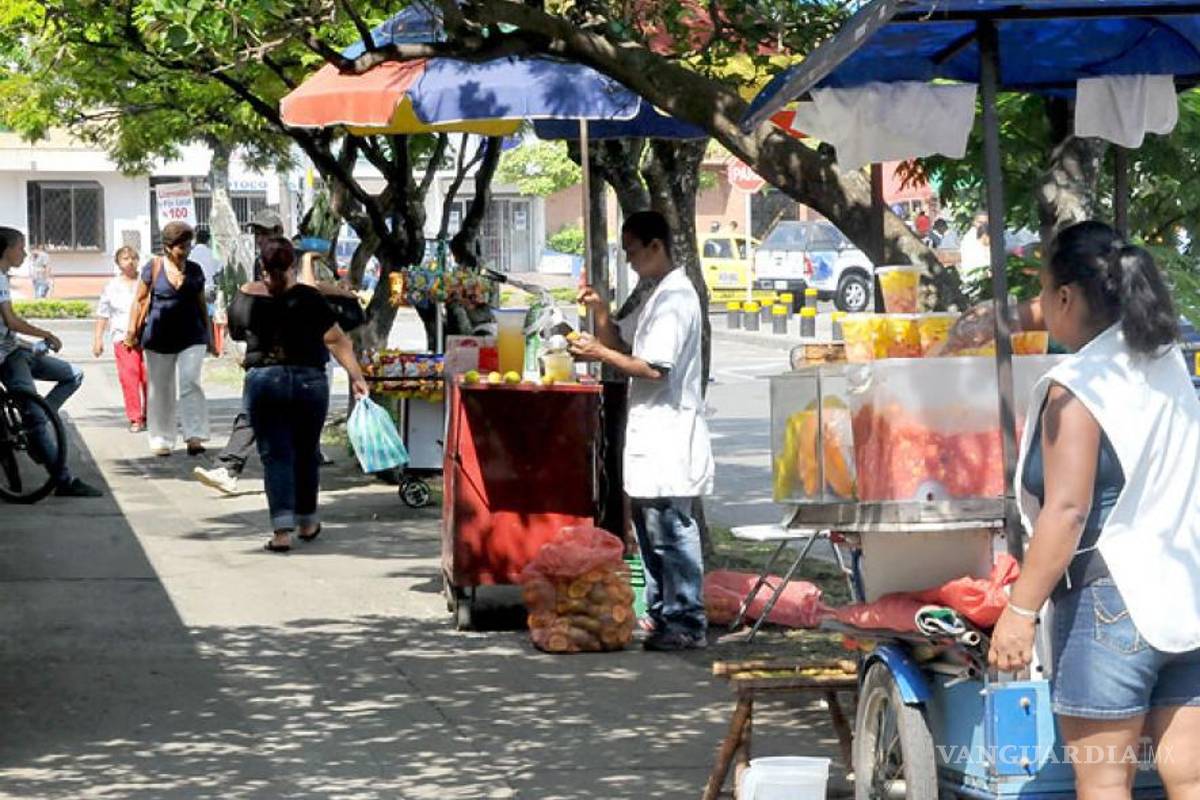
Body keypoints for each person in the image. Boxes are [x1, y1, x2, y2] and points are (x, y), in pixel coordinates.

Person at [988, 221, 1200, 798]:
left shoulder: (1079, 387)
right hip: (1185, 598)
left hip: (1111, 608)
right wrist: (996, 319)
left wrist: (1020, 611)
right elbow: (1070, 308)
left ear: (1066, 296)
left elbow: (1066, 511)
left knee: (1105, 784)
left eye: (1045, 291)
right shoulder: (1167, 358)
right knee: (1192, 780)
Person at [570, 211, 714, 651]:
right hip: (651, 431)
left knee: (673, 527)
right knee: (649, 527)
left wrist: (598, 353)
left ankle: (686, 618)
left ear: (656, 246)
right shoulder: (655, 295)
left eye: (633, 251)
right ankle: (659, 610)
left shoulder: (676, 300)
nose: (630, 260)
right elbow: (620, 343)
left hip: (671, 428)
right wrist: (599, 314)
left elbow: (652, 366)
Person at [226, 237, 369, 553]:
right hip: (309, 382)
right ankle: (307, 521)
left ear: (262, 265)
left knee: (276, 455)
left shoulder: (245, 297)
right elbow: (336, 340)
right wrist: (356, 376)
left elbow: (235, 332)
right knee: (306, 452)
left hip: (264, 380)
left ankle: (281, 532)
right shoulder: (309, 297)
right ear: (292, 265)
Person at [0, 227, 102, 497]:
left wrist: (30, 344)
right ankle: (63, 480)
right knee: (32, 412)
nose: (23, 253)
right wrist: (45, 333)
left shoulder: (3, 277)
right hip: (6, 358)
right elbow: (11, 321)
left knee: (73, 375)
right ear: (7, 250)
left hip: (14, 349)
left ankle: (39, 423)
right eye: (20, 247)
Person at [192, 209, 284, 492]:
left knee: (260, 415)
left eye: (265, 232)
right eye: (257, 233)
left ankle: (233, 468)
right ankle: (229, 468)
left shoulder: (290, 260)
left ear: (278, 232)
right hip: (263, 355)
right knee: (253, 414)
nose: (260, 238)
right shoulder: (261, 263)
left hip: (286, 358)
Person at [127, 221, 213, 456]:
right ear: (167, 247)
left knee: (190, 381)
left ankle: (194, 436)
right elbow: (140, 300)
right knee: (160, 388)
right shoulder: (152, 267)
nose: (184, 252)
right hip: (158, 337)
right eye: (180, 247)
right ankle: (161, 438)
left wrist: (210, 335)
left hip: (192, 335)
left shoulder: (194, 270)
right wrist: (131, 332)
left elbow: (201, 304)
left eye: (187, 246)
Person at [93, 246, 147, 432]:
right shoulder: (112, 287)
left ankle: (152, 414)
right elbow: (103, 314)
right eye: (125, 258)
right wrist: (98, 339)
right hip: (123, 338)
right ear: (118, 263)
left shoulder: (146, 282)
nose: (130, 261)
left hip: (147, 336)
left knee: (149, 378)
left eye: (133, 257)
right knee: (130, 377)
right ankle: (135, 417)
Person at [189, 228, 223, 304]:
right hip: (209, 289)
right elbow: (219, 269)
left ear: (196, 240)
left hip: (194, 290)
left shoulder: (190, 254)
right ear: (208, 241)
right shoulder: (213, 254)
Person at [959, 211, 992, 288]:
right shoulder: (970, 239)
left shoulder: (988, 235)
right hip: (975, 281)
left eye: (986, 222)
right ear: (973, 222)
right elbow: (977, 265)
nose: (983, 225)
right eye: (980, 222)